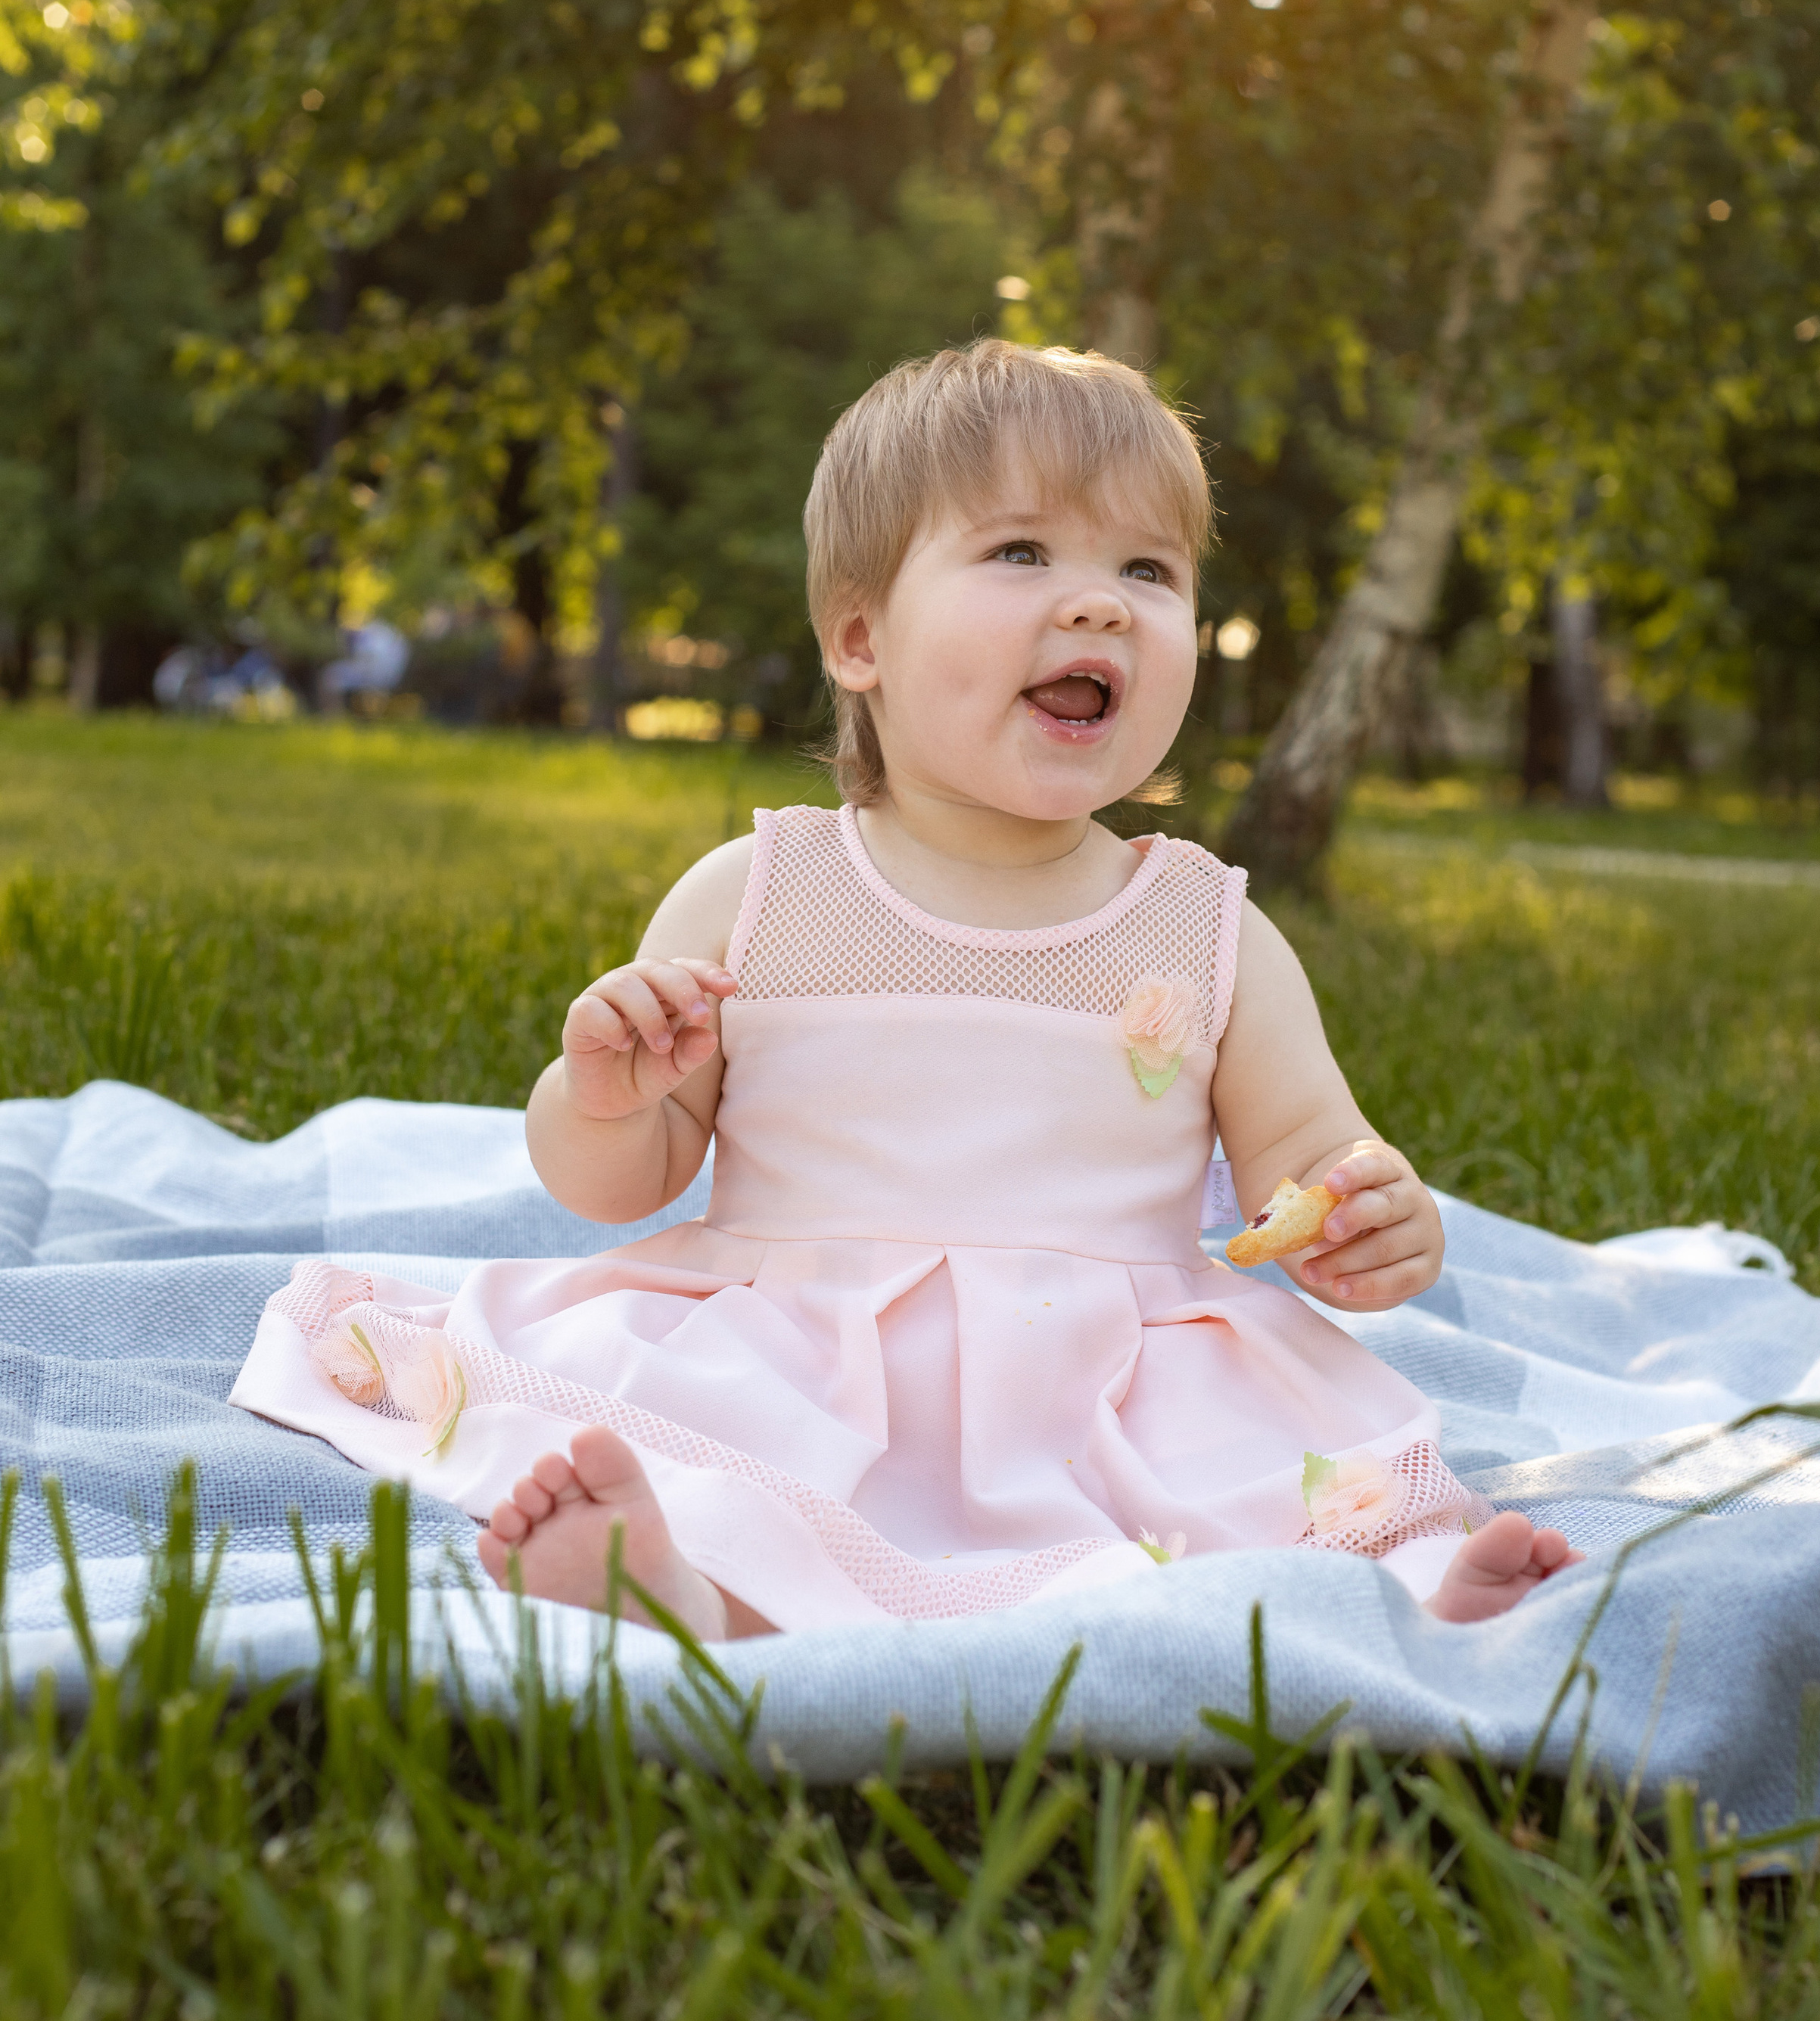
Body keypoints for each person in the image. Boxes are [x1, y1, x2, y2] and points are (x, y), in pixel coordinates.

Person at [250, 341, 1577, 1633]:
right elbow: (621, 1185)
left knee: (1262, 1510)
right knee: (746, 1468)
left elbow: (1312, 1168)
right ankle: (689, 1586)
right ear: (860, 637)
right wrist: (603, 1093)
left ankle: (1407, 1605)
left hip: (1108, 1387)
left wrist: (1369, 1219)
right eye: (1020, 552)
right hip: (804, 1355)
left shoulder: (1210, 930)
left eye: (1149, 568)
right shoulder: (760, 893)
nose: (1102, 600)